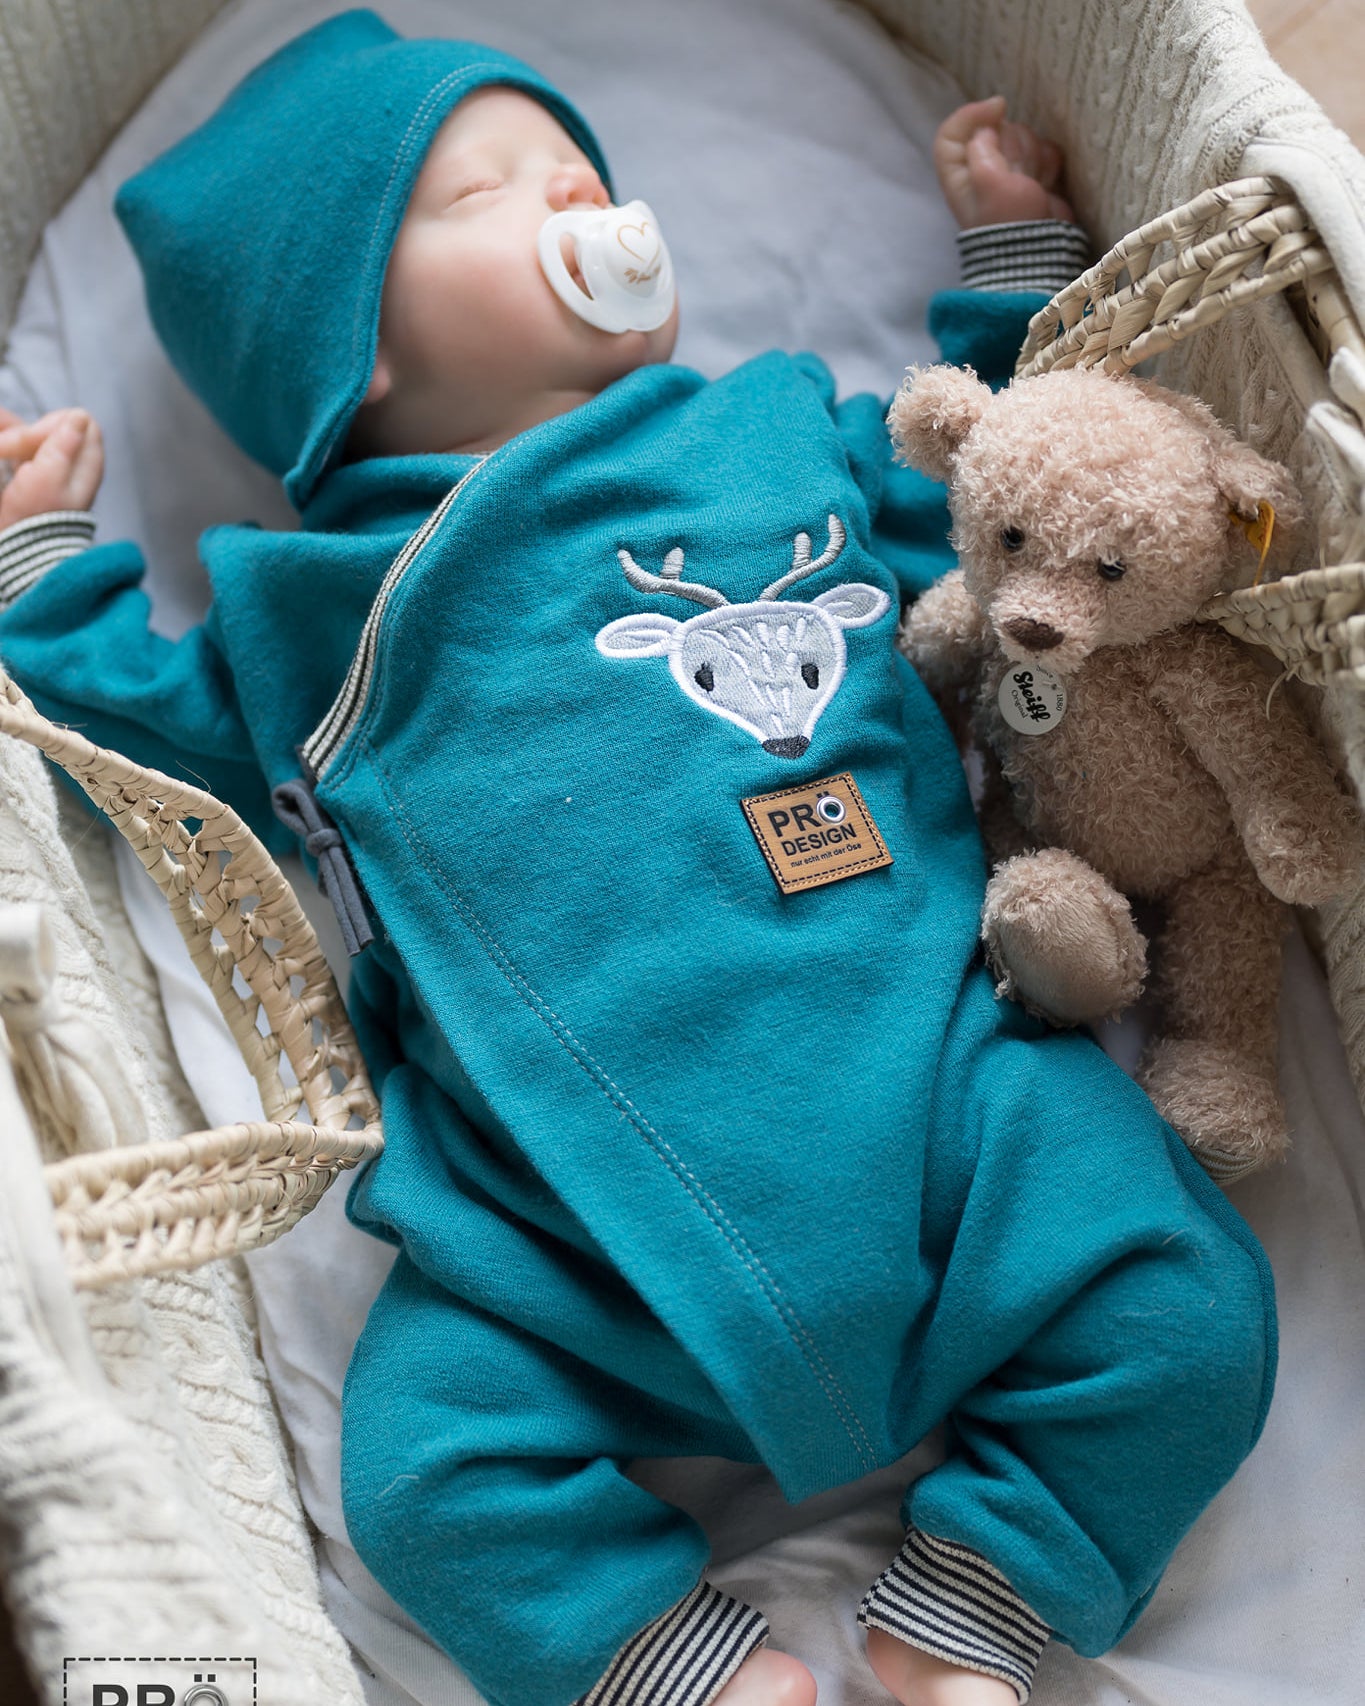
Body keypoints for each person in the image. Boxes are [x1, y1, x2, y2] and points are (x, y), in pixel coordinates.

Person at [0, 14, 1273, 1706]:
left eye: (580, 169)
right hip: (568, 1223)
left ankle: (973, 1595)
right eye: (488, 192)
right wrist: (41, 566)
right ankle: (678, 1664)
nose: (579, 198)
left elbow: (987, 503)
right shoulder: (320, 598)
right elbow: (148, 749)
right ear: (340, 347)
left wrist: (1011, 273)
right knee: (426, 1475)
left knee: (1188, 1303)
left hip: (933, 1096)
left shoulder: (775, 429)